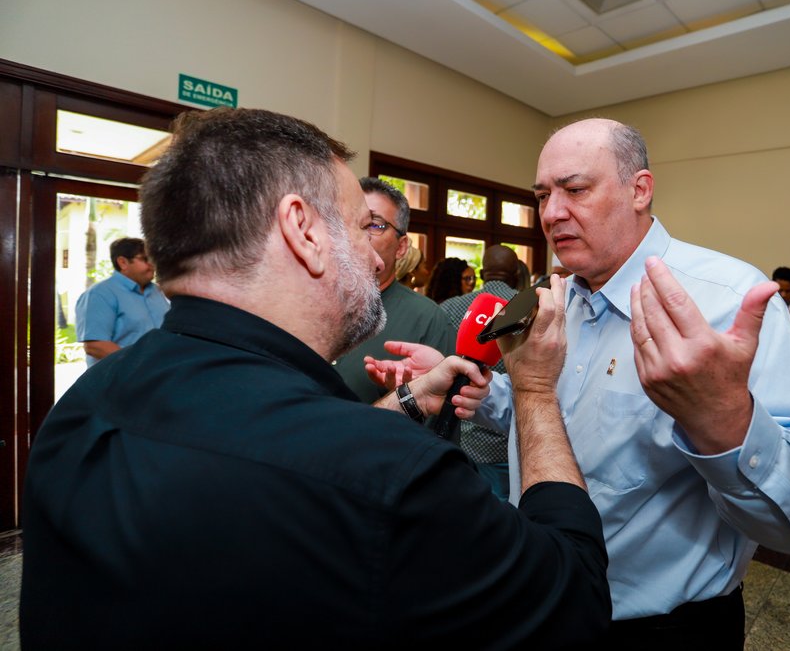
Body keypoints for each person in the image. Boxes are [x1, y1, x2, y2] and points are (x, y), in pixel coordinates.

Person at [19, 108, 611, 648]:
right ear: (302, 230)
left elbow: (285, 452)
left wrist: (408, 398)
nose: (376, 259)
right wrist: (534, 388)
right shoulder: (390, 471)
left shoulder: (82, 406)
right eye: (361, 227)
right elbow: (574, 598)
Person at [366, 118, 790, 647]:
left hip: (660, 627)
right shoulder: (558, 297)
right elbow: (564, 422)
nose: (551, 213)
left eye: (575, 189)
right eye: (543, 195)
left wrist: (724, 422)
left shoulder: (726, 300)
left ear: (639, 190)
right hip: (542, 594)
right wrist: (487, 393)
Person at [332, 177, 455, 403]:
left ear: (401, 247)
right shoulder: (313, 301)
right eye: (348, 220)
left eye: (374, 224)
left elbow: (439, 413)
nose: (358, 233)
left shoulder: (428, 320)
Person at [438, 244, 520, 499]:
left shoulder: (449, 307)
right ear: (517, 274)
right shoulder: (529, 310)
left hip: (462, 439)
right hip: (512, 445)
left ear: (483, 274)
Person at [74, 236, 169, 366]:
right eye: (145, 259)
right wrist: (141, 366)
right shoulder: (100, 294)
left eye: (153, 259)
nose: (152, 264)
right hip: (122, 376)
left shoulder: (157, 292)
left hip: (161, 373)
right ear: (123, 262)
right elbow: (95, 346)